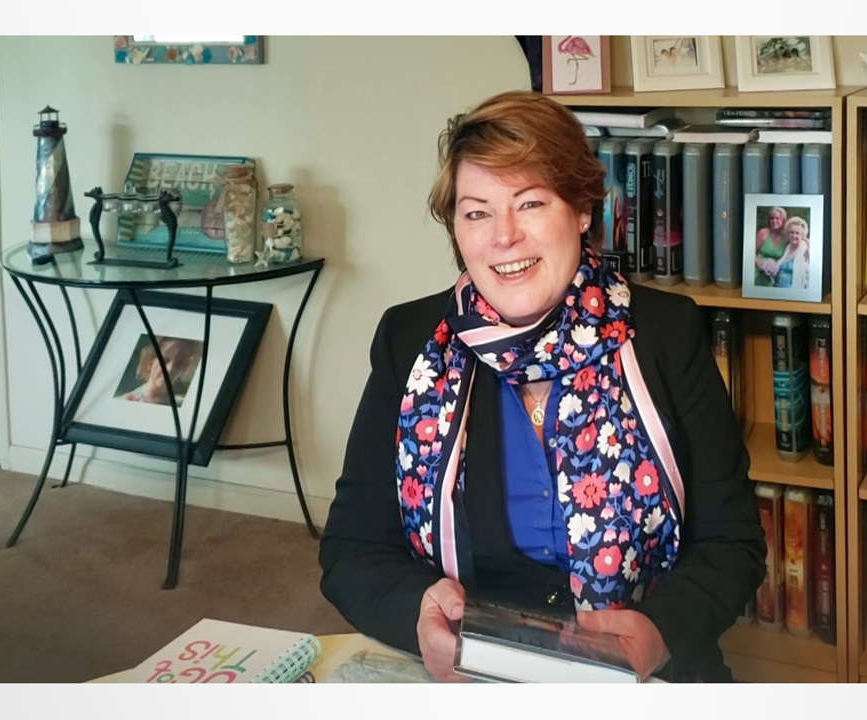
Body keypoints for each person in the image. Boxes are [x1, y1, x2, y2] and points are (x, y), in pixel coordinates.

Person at [319, 90, 765, 683]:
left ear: (581, 210)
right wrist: (415, 614)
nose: (504, 236)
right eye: (477, 212)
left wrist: (661, 633)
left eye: (529, 203)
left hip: (643, 677)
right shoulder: (410, 340)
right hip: (470, 675)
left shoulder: (664, 332)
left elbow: (733, 543)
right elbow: (351, 549)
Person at [118, 337, 199, 406]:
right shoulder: (125, 402)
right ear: (150, 362)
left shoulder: (185, 406)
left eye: (179, 363)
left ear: (184, 368)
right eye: (164, 360)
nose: (170, 369)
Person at [773, 216, 811, 290]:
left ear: (802, 235)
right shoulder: (788, 247)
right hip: (777, 287)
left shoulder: (806, 249)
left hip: (793, 290)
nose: (794, 236)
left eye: (797, 233)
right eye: (791, 233)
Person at [754, 206, 788, 286]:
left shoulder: (787, 237)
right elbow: (750, 252)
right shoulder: (763, 233)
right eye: (771, 218)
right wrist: (759, 263)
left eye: (777, 218)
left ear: (783, 220)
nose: (774, 221)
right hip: (758, 270)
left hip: (775, 275)